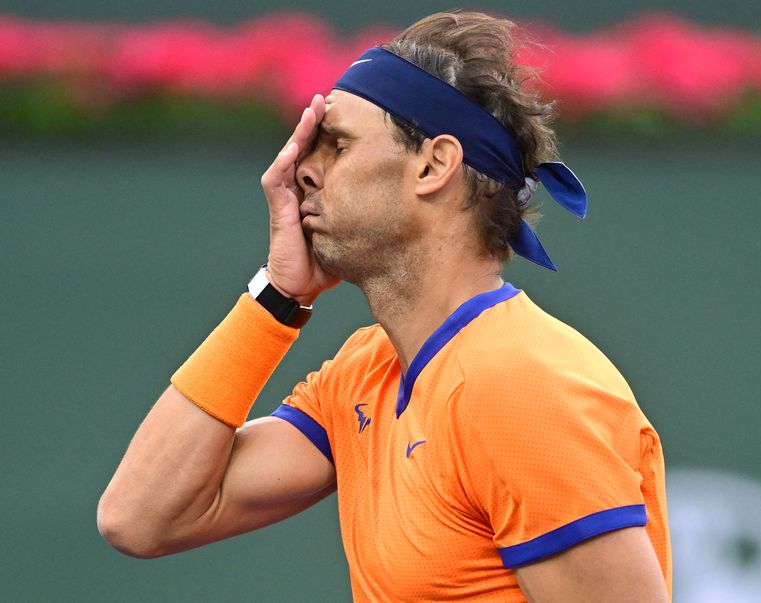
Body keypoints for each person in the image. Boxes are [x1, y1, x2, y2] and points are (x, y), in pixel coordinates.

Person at [98, 11, 671, 602]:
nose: (301, 173)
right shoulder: (367, 371)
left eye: (336, 145)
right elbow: (142, 517)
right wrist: (277, 296)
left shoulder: (523, 386)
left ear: (434, 165)